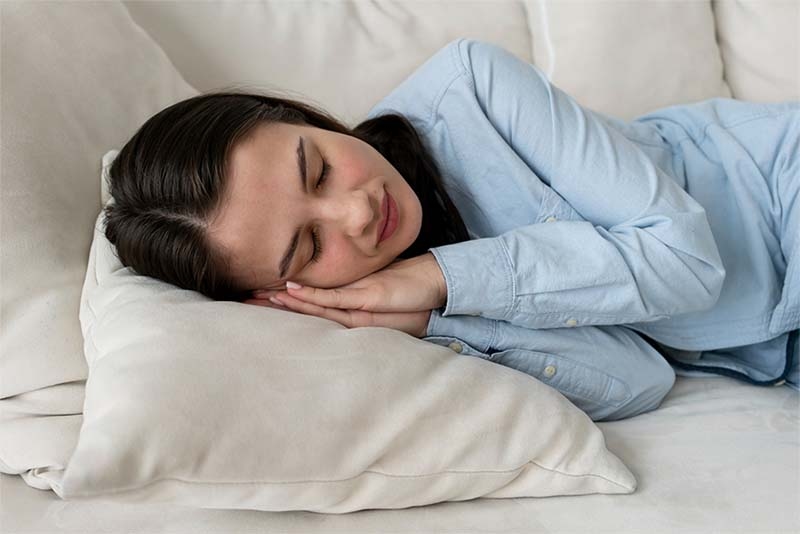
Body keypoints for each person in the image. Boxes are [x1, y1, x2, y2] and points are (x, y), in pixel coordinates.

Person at [103, 38, 799, 421]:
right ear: (281, 292)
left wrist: (446, 274)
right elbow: (643, 378)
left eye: (315, 169)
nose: (356, 212)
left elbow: (687, 261)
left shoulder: (474, 88)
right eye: (309, 247)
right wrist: (432, 316)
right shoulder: (400, 310)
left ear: (301, 116)